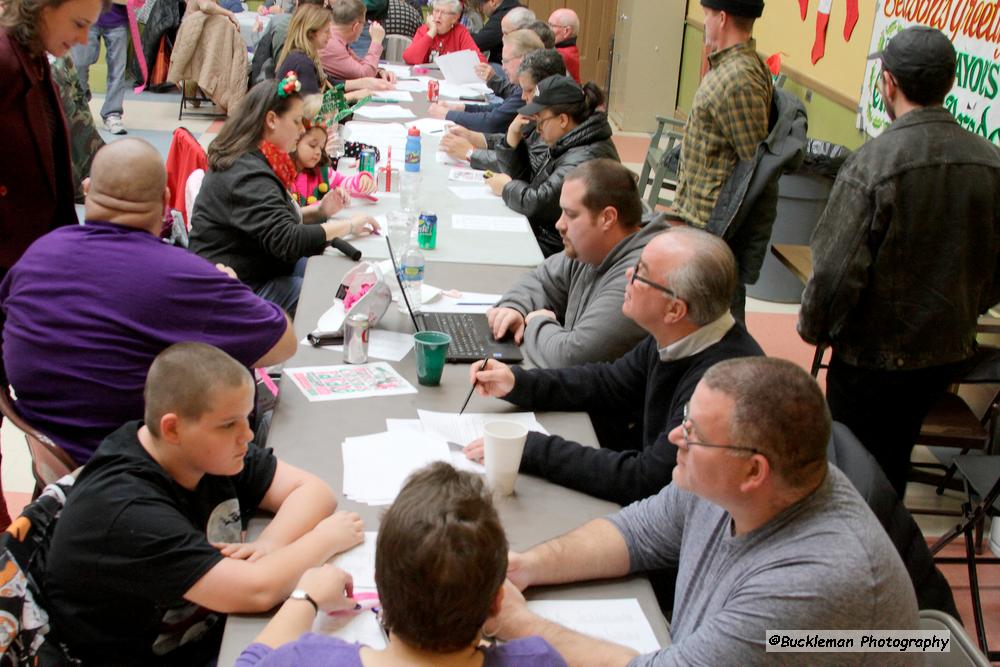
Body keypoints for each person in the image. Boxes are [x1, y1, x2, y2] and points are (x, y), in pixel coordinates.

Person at [491, 358, 919, 666]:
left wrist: (520, 624)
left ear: (754, 470)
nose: (676, 436)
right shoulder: (730, 482)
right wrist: (526, 567)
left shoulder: (812, 583)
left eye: (694, 432)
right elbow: (637, 533)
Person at [43, 343, 365, 665]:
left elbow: (313, 492)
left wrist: (269, 545)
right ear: (173, 428)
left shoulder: (201, 451)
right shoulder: (127, 510)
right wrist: (326, 539)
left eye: (246, 418)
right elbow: (257, 591)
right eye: (229, 424)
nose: (248, 435)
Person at [0, 138, 297, 465]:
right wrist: (230, 287)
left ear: (88, 190)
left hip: (57, 463)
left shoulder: (36, 255)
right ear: (166, 200)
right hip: (144, 474)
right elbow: (283, 343)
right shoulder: (183, 277)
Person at [799, 25, 1000, 498]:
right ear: (949, 85)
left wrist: (815, 328)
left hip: (872, 365)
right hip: (949, 358)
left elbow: (832, 274)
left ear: (887, 82)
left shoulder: (873, 163)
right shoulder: (990, 161)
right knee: (891, 469)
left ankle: (868, 558)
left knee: (855, 480)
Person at [464, 227, 763, 505]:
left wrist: (531, 449)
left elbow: (646, 480)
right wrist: (520, 383)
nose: (628, 275)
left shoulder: (721, 385)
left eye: (641, 275)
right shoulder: (683, 334)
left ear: (675, 309)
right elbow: (608, 383)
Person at [235, 463, 566, 666]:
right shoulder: (539, 659)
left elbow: (249, 663)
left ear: (380, 584)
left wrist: (304, 596)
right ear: (497, 602)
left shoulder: (308, 660)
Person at [189, 78, 379, 315]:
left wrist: (320, 212)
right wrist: (347, 225)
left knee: (335, 274)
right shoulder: (247, 174)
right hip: (239, 288)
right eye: (297, 121)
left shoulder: (253, 160)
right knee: (331, 296)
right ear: (271, 120)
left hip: (259, 267)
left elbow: (274, 223)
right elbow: (287, 241)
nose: (301, 129)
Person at [489, 160, 667, 368]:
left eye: (571, 215)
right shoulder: (592, 246)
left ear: (607, 218)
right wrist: (515, 308)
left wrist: (536, 322)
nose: (559, 224)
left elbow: (571, 357)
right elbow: (540, 278)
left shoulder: (636, 277)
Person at [0, 0, 101, 278]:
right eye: (78, 25)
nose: (83, 39)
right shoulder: (6, 62)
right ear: (43, 8)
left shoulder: (37, 60)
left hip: (32, 258)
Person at [488, 74, 618, 257]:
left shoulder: (584, 156)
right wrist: (512, 140)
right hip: (548, 238)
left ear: (563, 120)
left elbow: (539, 203)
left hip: (562, 250)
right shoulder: (569, 142)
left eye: (540, 121)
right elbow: (530, 180)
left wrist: (506, 188)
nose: (537, 128)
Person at [672, 0, 771, 230]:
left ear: (723, 18)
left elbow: (753, 166)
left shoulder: (738, 79)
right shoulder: (728, 67)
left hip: (707, 225)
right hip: (694, 217)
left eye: (707, 15)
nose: (705, 22)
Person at [440, 47, 565, 173]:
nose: (523, 97)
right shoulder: (540, 111)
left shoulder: (553, 122)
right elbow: (521, 146)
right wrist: (474, 137)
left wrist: (470, 153)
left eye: (529, 90)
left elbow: (526, 167)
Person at [428, 29, 542, 133]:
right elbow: (499, 108)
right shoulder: (525, 86)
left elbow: (491, 123)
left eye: (506, 61)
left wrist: (447, 114)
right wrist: (461, 108)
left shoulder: (531, 90)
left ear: (524, 59)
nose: (503, 67)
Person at [290, 97, 376, 207]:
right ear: (295, 139)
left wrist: (362, 180)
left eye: (321, 148)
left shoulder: (323, 172)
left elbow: (344, 182)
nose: (318, 152)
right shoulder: (285, 175)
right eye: (312, 145)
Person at [71, 0, 128, 134]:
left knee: (117, 69)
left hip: (118, 19)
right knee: (79, 63)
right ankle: (81, 102)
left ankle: (112, 113)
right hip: (86, 16)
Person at [319, 0, 397, 83]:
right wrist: (376, 42)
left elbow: (359, 65)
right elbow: (365, 75)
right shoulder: (332, 44)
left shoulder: (336, 39)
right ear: (356, 27)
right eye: (363, 23)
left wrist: (379, 72)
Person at [276, 3, 336, 95]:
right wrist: (355, 95)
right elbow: (314, 106)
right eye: (326, 31)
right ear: (311, 33)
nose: (330, 36)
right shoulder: (303, 63)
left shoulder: (297, 56)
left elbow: (329, 83)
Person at [402, 0, 485, 65]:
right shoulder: (425, 30)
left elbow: (480, 61)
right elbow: (409, 58)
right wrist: (431, 33)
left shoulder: (460, 32)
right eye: (436, 11)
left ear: (455, 17)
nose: (438, 16)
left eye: (443, 13)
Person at [547, 7, 579, 82]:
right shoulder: (569, 51)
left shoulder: (562, 55)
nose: (548, 29)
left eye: (551, 25)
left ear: (566, 31)